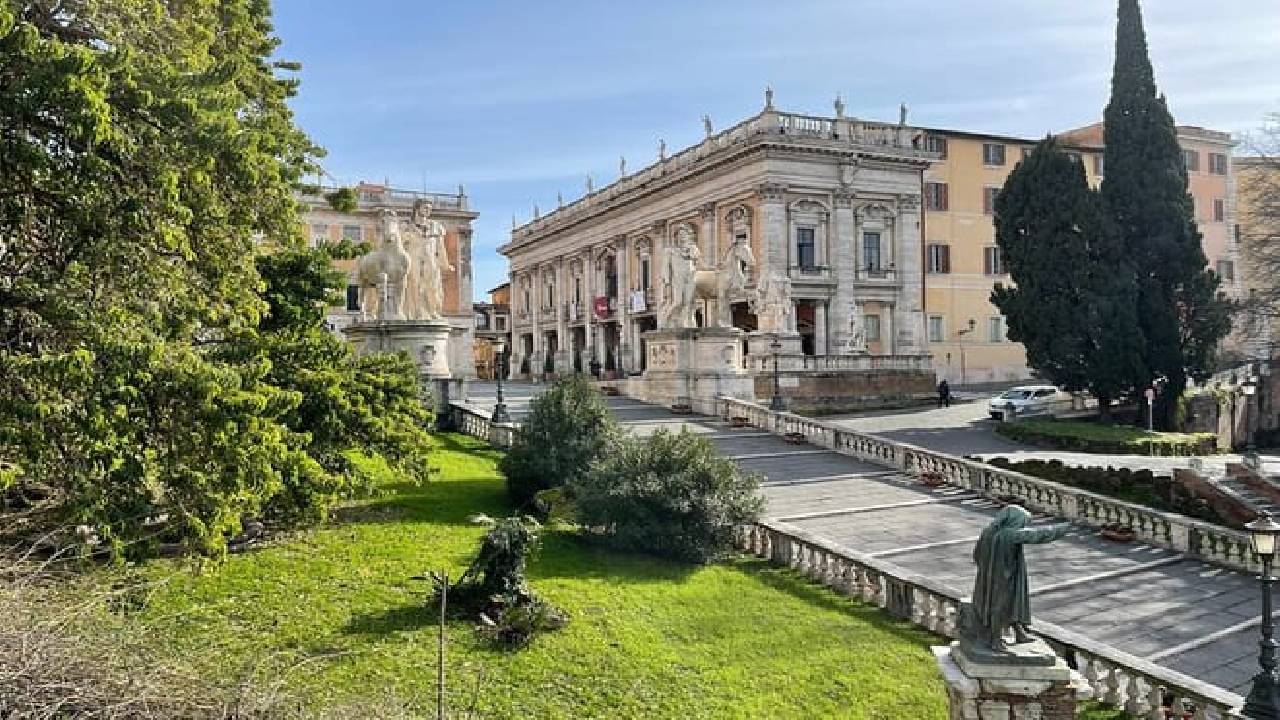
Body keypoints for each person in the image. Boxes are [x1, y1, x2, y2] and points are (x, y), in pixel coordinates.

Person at [968, 505, 1070, 651]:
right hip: (1003, 578)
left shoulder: (988, 531)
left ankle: (1019, 632)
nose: (1022, 526)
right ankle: (996, 640)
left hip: (989, 577)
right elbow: (1038, 535)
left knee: (1014, 603)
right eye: (1022, 522)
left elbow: (976, 554)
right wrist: (1064, 528)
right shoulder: (1009, 534)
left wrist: (986, 570)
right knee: (999, 606)